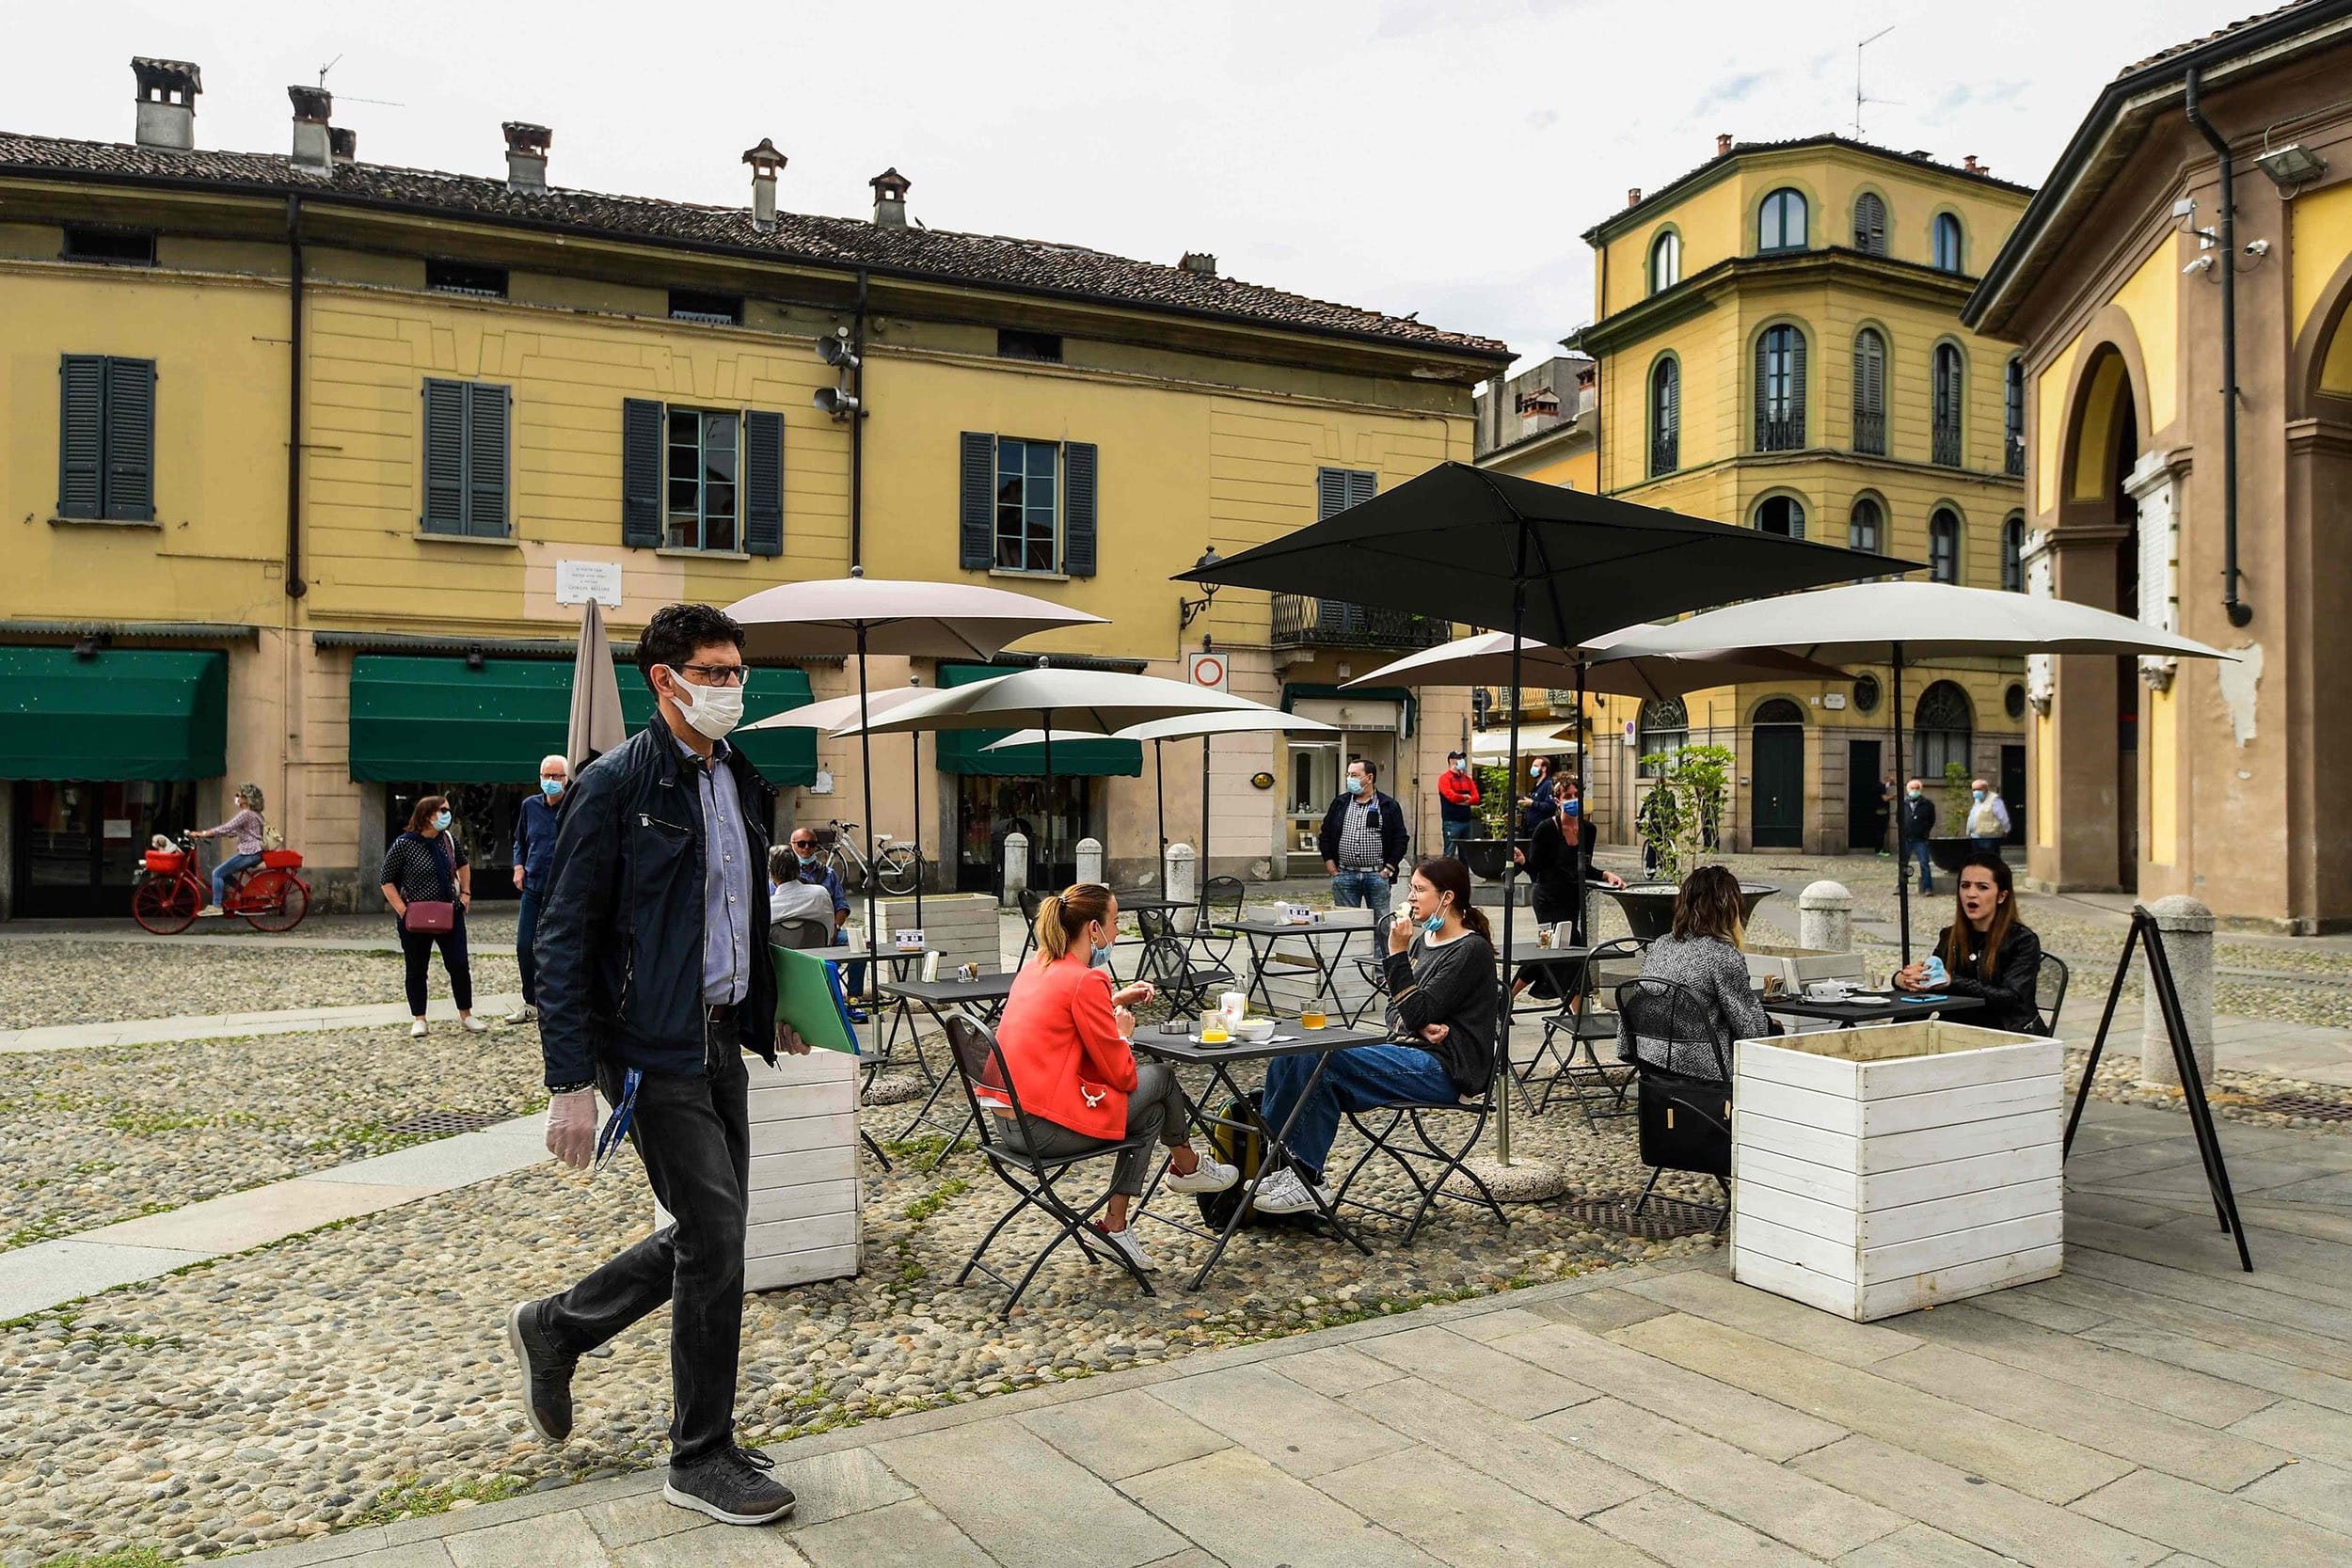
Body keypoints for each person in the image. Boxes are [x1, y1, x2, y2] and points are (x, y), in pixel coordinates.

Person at [513, 602, 803, 1529]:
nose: (729, 687)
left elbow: (734, 915)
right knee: (714, 1236)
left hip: (719, 1033)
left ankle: (558, 1325)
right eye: (710, 671)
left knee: (712, 1234)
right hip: (648, 1044)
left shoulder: (741, 781)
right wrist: (567, 1084)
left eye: (735, 671)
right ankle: (699, 1455)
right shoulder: (614, 786)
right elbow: (561, 939)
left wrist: (776, 1001)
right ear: (663, 679)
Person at [987, 883, 1237, 1271]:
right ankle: (1187, 1165)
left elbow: (1064, 1013)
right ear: (1093, 930)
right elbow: (1122, 1076)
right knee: (1162, 1077)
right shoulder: (1086, 980)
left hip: (1009, 1125)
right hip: (1043, 1130)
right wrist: (1123, 1033)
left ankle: (1115, 1224)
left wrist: (1113, 1001)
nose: (1119, 931)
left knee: (1151, 1115)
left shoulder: (1037, 967)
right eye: (1116, 922)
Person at [1251, 858, 1497, 1216]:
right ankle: (1282, 1164)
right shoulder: (1425, 940)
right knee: (1294, 1052)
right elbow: (1397, 1010)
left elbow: (1411, 1009)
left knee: (1322, 1060)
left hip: (1448, 1069)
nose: (1411, 897)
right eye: (1411, 888)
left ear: (1447, 898)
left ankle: (1308, 1177)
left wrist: (1395, 952)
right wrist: (1417, 1022)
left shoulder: (1468, 950)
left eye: (1419, 890)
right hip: (1411, 1049)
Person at [1617, 864, 1770, 1081]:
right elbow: (1751, 1030)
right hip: (1701, 1067)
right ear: (1730, 909)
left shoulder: (1661, 944)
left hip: (1649, 1056)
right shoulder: (1721, 954)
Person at [1896, 854, 2045, 1034]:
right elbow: (1932, 980)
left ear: (2001, 896)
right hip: (1955, 1030)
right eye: (1965, 886)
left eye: (1982, 887)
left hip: (2007, 1033)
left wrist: (1951, 982)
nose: (1971, 894)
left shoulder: (2022, 941)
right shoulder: (1949, 936)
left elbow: (2012, 998)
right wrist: (1904, 979)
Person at [378, 795, 488, 1038]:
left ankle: (466, 1014)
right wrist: (402, 909)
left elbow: (463, 865)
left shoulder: (447, 840)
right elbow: (386, 879)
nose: (448, 815)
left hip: (449, 913)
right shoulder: (404, 844)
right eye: (443, 810)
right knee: (417, 968)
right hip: (415, 917)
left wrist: (466, 894)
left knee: (459, 964)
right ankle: (419, 1018)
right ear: (428, 815)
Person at [1512, 784, 1627, 992]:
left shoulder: (1588, 830)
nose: (1573, 800)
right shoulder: (1546, 829)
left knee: (1549, 951)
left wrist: (1607, 875)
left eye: (1576, 795)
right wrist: (1522, 861)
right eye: (1567, 796)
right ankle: (1576, 1013)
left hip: (1571, 900)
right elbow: (1535, 869)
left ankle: (1505, 999)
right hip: (1546, 900)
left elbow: (1584, 867)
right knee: (1561, 950)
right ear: (1557, 801)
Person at [506, 754, 568, 1024]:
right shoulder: (529, 806)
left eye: (557, 777)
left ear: (566, 780)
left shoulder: (574, 807)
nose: (551, 781)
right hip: (533, 885)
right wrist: (518, 866)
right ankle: (531, 1002)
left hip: (562, 890)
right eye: (547, 776)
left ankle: (556, 1002)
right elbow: (520, 840)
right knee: (524, 945)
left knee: (559, 948)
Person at [784, 824, 865, 1021]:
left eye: (811, 845)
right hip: (794, 937)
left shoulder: (828, 874)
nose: (806, 849)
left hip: (828, 934)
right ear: (791, 845)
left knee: (859, 946)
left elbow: (842, 906)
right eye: (801, 844)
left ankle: (853, 1000)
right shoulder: (782, 874)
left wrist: (835, 927)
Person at [1318, 758, 1407, 926]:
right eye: (1349, 774)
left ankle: (1381, 953)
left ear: (1369, 778)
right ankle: (1350, 953)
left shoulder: (1388, 805)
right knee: (1346, 923)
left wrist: (1388, 869)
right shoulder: (1340, 803)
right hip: (1345, 874)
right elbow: (1326, 834)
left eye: (1355, 775)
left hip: (1377, 874)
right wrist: (1330, 864)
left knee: (1380, 923)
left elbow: (1400, 838)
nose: (1350, 779)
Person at [191, 782, 267, 916]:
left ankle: (216, 905)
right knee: (225, 874)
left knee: (217, 873)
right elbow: (233, 832)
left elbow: (227, 828)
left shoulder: (246, 814)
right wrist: (211, 834)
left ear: (245, 798)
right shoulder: (256, 814)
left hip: (249, 852)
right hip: (256, 852)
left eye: (238, 795)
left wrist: (201, 834)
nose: (236, 798)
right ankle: (246, 896)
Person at [1438, 751, 1481, 861]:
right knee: (1449, 853)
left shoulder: (1467, 779)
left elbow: (1476, 798)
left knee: (1466, 855)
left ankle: (1464, 876)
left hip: (1466, 820)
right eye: (1459, 758)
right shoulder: (1445, 778)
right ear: (1451, 761)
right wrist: (1465, 798)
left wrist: (1462, 801)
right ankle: (1446, 877)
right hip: (1452, 821)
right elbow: (1451, 796)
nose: (1462, 760)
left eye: (1462, 758)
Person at [1900, 777, 1938, 895]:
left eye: (1917, 788)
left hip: (1920, 839)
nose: (1914, 790)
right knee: (1903, 864)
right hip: (1906, 838)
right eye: (1912, 788)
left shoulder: (1928, 804)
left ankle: (1928, 888)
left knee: (1924, 864)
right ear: (1908, 789)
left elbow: (1931, 820)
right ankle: (1901, 887)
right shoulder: (1903, 804)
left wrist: (1924, 831)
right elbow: (1899, 819)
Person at [1966, 778, 2011, 862]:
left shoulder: (1994, 800)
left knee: (1990, 861)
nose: (1976, 792)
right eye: (1974, 790)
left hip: (1990, 837)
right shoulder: (1977, 800)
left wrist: (2006, 830)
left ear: (1985, 789)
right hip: (1976, 836)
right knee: (1978, 860)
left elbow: (2003, 817)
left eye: (1978, 789)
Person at [1516, 755, 1560, 838]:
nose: (1532, 769)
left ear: (1544, 769)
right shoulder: (1537, 785)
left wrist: (1532, 803)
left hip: (1541, 829)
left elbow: (1550, 806)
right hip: (1530, 827)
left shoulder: (1548, 785)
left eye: (1535, 766)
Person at [1876, 773, 1898, 858]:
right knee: (1881, 831)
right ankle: (1879, 850)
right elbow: (1885, 798)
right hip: (1881, 812)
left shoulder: (1881, 787)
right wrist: (1894, 795)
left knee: (1881, 831)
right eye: (1891, 783)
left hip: (1881, 811)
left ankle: (1879, 849)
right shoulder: (1881, 787)